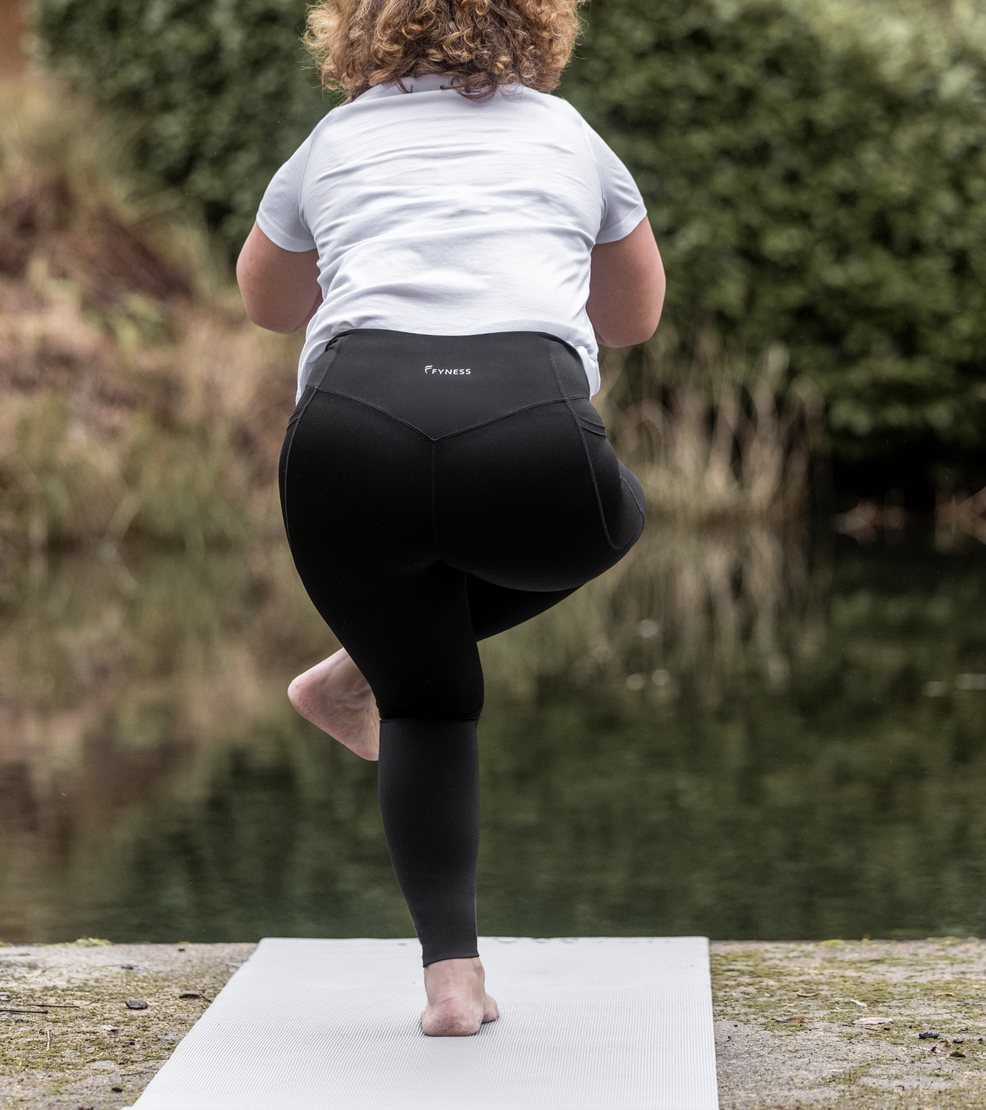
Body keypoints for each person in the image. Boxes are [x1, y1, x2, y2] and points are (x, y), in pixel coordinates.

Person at [236, 0, 665, 1038]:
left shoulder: (334, 140)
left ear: (358, 30)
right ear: (536, 27)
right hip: (532, 439)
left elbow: (264, 299)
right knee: (617, 517)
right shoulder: (569, 137)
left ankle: (452, 985)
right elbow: (635, 319)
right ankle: (359, 670)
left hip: (350, 439)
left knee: (426, 701)